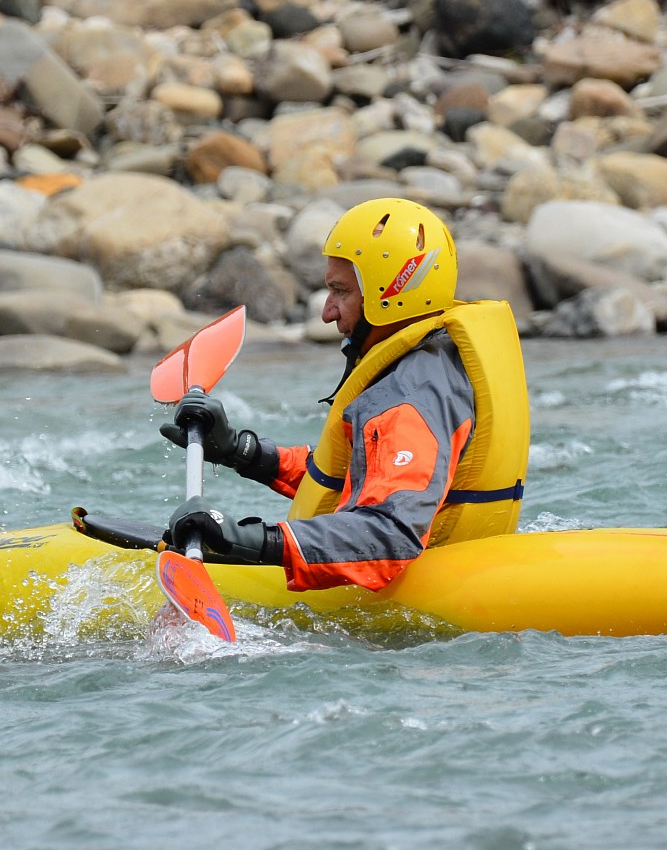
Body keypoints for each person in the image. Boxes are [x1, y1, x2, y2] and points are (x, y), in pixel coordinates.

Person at [161, 197, 531, 592]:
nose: (327, 312)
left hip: (417, 585)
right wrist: (241, 450)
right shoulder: (432, 359)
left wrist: (251, 539)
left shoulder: (408, 400)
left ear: (392, 294)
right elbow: (362, 475)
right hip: (465, 561)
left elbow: (391, 535)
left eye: (340, 291)